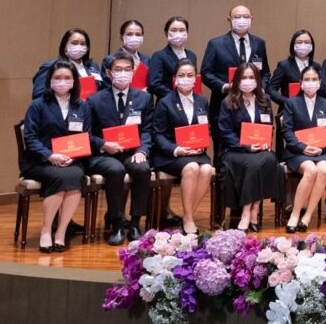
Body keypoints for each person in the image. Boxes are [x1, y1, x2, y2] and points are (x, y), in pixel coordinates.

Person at [21, 61, 90, 253]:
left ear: (75, 81)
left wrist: (72, 156)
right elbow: (30, 137)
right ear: (50, 81)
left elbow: (85, 136)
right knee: (60, 177)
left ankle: (61, 231)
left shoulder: (82, 106)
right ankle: (46, 230)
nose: (62, 82)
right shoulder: (38, 105)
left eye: (67, 78)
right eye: (57, 78)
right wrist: (50, 155)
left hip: (71, 159)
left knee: (76, 176)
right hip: (39, 160)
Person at [87, 53, 154, 245]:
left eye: (127, 69)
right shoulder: (95, 100)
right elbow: (88, 134)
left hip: (133, 151)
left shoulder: (144, 98)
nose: (123, 73)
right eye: (118, 70)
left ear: (133, 72)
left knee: (142, 169)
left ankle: (134, 223)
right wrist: (103, 144)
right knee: (115, 170)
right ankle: (116, 223)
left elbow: (148, 131)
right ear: (109, 73)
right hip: (104, 154)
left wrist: (142, 151)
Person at [149, 59, 216, 234]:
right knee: (192, 167)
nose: (186, 79)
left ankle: (188, 216)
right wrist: (177, 149)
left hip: (196, 151)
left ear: (196, 79)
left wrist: (201, 144)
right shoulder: (165, 102)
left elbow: (204, 128)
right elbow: (158, 134)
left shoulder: (202, 101)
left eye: (190, 75)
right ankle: (188, 219)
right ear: (174, 79)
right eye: (181, 75)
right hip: (170, 153)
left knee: (207, 169)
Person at [217, 63, 283, 232]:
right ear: (237, 80)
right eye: (244, 78)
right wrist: (246, 146)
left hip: (261, 149)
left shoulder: (265, 100)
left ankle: (254, 208)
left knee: (269, 160)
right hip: (236, 151)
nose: (248, 81)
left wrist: (266, 142)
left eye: (251, 77)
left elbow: (269, 126)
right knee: (253, 165)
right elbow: (225, 132)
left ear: (257, 80)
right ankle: (248, 211)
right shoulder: (228, 102)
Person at [200, 5, 268, 154]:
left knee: (254, 150)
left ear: (252, 19)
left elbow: (265, 73)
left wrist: (261, 88)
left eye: (245, 17)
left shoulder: (259, 43)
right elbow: (206, 73)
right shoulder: (216, 44)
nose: (242, 20)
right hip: (224, 103)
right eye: (237, 17)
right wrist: (224, 86)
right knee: (223, 148)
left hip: (253, 106)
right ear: (229, 19)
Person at [278, 65, 326, 233]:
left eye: (314, 79)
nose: (310, 83)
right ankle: (295, 213)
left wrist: (320, 147)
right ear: (300, 83)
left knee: (323, 169)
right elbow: (287, 130)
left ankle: (308, 215)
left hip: (321, 149)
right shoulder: (291, 103)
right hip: (297, 151)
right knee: (310, 170)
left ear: (320, 83)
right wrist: (302, 147)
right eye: (307, 80)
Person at [31, 28, 104, 99]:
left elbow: (101, 90)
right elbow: (38, 95)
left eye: (83, 44)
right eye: (74, 43)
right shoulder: (51, 66)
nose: (79, 46)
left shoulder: (93, 66)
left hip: (91, 109)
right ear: (64, 46)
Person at [147, 16, 196, 100]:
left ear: (187, 33)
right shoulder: (159, 56)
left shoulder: (192, 55)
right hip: (167, 103)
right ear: (166, 33)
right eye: (173, 30)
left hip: (189, 101)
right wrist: (176, 97)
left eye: (182, 30)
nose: (178, 33)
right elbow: (154, 84)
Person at [269, 30, 317, 108]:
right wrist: (287, 102)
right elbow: (271, 90)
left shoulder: (316, 67)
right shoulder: (284, 66)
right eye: (299, 42)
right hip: (289, 110)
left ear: (312, 46)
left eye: (307, 42)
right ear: (293, 45)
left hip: (311, 110)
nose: (303, 45)